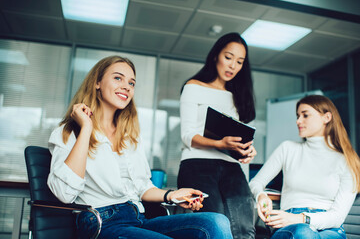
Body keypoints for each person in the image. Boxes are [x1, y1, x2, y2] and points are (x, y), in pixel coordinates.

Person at [47, 55, 233, 239]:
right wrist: (86, 128)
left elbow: (141, 187)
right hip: (100, 223)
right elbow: (64, 194)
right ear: (97, 82)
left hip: (137, 217)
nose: (126, 87)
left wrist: (173, 195)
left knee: (217, 223)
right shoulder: (69, 132)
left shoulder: (129, 136)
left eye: (131, 83)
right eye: (118, 78)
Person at [177, 32, 257, 239]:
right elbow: (187, 135)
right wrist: (219, 143)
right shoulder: (193, 87)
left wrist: (245, 151)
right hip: (197, 164)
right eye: (228, 57)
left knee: (244, 229)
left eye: (239, 62)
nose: (233, 66)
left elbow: (236, 139)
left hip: (232, 167)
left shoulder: (236, 96)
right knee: (215, 226)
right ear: (216, 56)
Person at [249, 95, 360, 239]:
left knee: (310, 233)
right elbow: (255, 183)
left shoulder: (347, 161)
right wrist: (261, 195)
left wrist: (302, 218)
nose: (298, 121)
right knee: (304, 233)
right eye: (298, 116)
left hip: (329, 228)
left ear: (326, 117)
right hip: (290, 223)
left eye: (305, 115)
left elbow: (338, 216)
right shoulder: (287, 149)